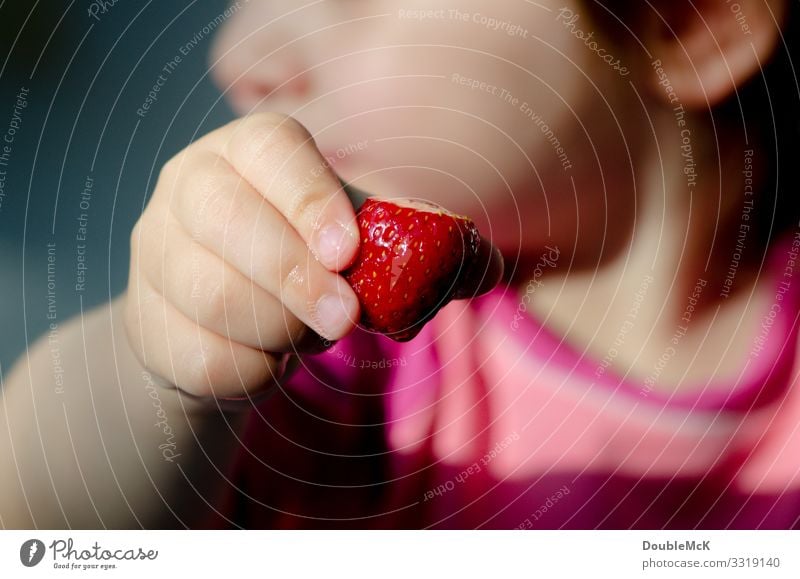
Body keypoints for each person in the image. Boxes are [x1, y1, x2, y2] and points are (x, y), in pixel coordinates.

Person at [2, 0, 799, 529]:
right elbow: (36, 515)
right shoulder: (344, 360)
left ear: (689, 21)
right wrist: (161, 369)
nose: (236, 52)